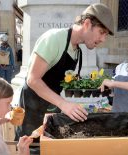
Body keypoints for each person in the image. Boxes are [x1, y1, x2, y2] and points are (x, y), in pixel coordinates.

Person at [16, 3, 114, 141]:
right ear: (86, 23)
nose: (103, 39)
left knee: (50, 146)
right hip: (32, 107)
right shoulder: (54, 39)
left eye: (106, 35)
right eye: (102, 32)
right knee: (31, 146)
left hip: (51, 105)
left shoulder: (76, 49)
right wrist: (63, 104)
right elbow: (32, 80)